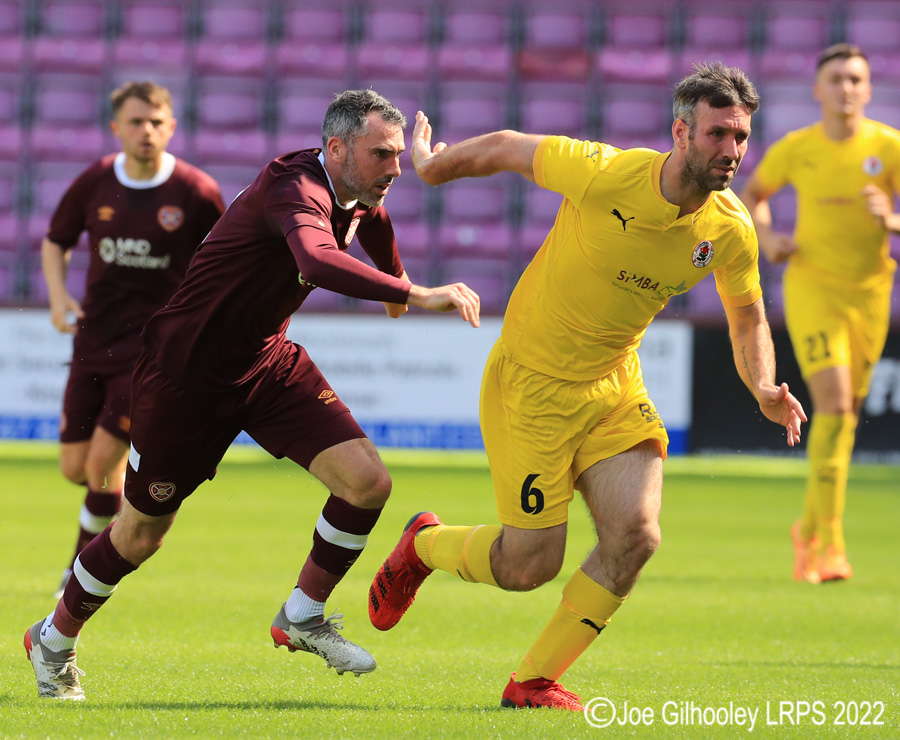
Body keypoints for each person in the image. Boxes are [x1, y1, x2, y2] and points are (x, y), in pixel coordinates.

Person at [368, 63, 807, 711]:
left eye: (742, 137)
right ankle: (424, 545)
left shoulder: (730, 228)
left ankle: (533, 682)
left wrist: (764, 384)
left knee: (637, 537)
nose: (732, 151)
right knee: (527, 567)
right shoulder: (607, 172)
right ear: (682, 132)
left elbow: (747, 316)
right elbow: (508, 147)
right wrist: (433, 167)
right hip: (532, 387)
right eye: (718, 134)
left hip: (613, 387)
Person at [25, 89, 481, 701]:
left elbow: (375, 223)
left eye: (400, 155)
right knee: (139, 535)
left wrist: (396, 283)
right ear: (337, 148)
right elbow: (317, 263)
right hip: (183, 381)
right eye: (382, 155)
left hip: (267, 365)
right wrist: (417, 292)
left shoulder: (357, 195)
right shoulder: (293, 188)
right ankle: (53, 639)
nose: (395, 169)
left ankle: (302, 614)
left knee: (368, 482)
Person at [41, 81, 225, 599]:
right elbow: (56, 242)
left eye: (156, 122)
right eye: (136, 121)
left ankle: (76, 576)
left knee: (102, 465)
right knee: (77, 469)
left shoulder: (195, 191)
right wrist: (59, 299)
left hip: (153, 352)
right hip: (93, 340)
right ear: (116, 128)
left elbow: (228, 258)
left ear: (171, 127)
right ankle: (124, 527)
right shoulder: (97, 181)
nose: (146, 131)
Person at [740, 44, 900, 585]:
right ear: (819, 90)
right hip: (812, 288)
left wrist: (893, 219)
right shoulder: (797, 148)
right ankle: (829, 545)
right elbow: (754, 194)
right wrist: (767, 237)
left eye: (856, 79)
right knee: (832, 404)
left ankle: (808, 531)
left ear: (868, 89)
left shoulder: (888, 146)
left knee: (847, 413)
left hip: (871, 293)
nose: (847, 88)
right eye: (836, 79)